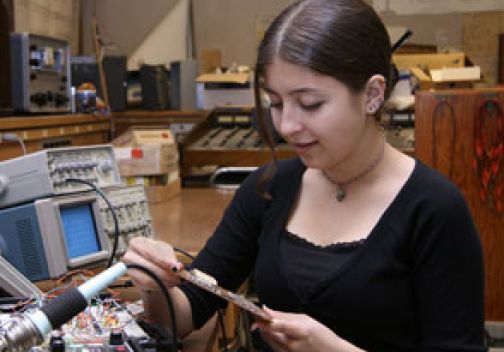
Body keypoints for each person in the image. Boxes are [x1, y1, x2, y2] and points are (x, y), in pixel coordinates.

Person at [122, 0, 485, 350]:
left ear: (372, 94)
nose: (287, 126)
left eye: (311, 104)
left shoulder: (435, 209)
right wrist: (154, 283)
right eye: (276, 104)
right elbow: (186, 312)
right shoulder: (269, 188)